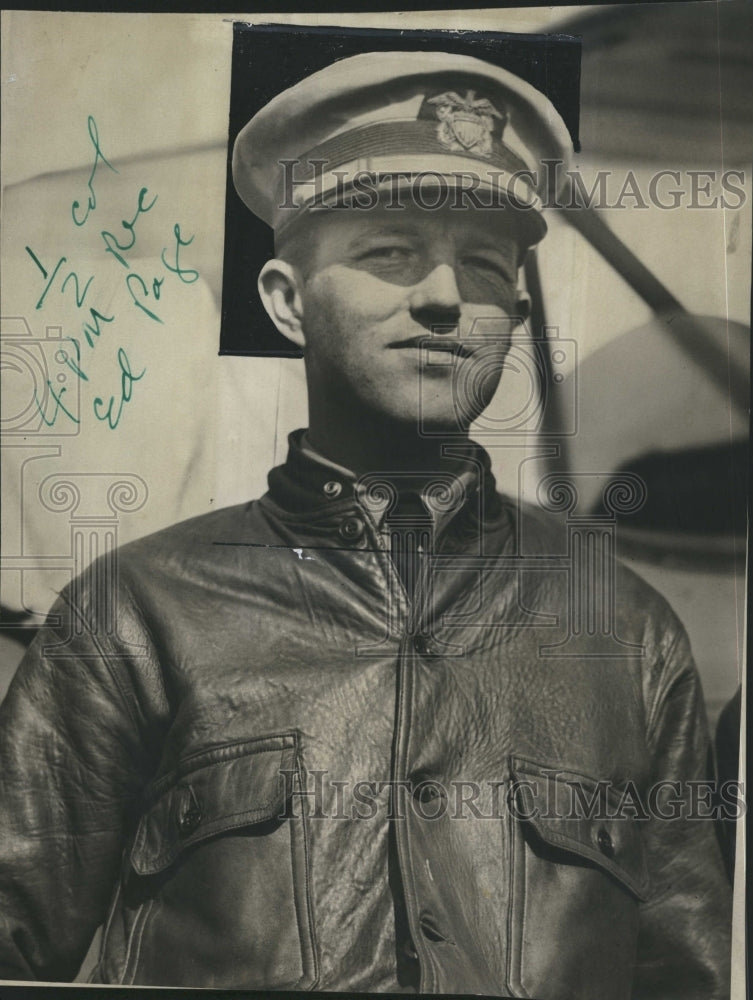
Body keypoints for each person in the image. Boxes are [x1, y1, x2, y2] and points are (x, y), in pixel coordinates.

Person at [0, 50, 731, 998]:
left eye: (480, 263)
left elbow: (684, 976)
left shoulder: (628, 633)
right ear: (286, 302)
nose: (441, 297)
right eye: (388, 252)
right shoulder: (135, 615)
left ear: (514, 311)